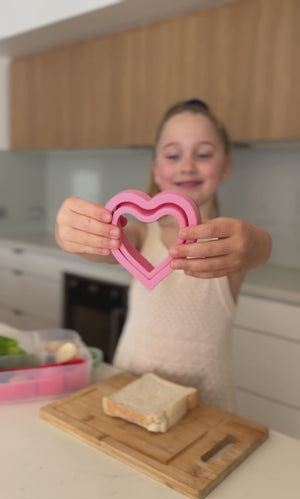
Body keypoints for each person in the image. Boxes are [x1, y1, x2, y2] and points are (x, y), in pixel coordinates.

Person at [55, 99, 272, 412]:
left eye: (203, 154)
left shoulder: (229, 245)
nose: (187, 166)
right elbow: (111, 242)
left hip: (208, 402)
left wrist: (257, 240)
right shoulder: (141, 237)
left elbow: (258, 248)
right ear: (157, 170)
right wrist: (73, 234)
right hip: (132, 386)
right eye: (173, 155)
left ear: (225, 167)